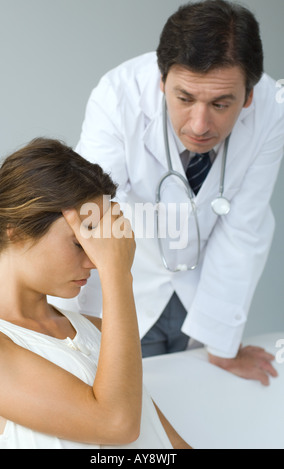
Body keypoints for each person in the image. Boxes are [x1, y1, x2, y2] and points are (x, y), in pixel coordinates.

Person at [68, 0, 284, 385]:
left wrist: (222, 345)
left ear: (248, 97)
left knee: (194, 403)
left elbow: (244, 226)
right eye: (184, 99)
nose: (200, 125)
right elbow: (89, 215)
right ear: (161, 81)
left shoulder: (271, 108)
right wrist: (62, 329)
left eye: (220, 104)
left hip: (200, 297)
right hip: (122, 288)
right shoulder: (119, 96)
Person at [0, 138, 191, 449]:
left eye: (102, 244)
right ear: (18, 230)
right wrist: (118, 274)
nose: (96, 261)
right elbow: (116, 424)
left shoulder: (98, 330)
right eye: (80, 243)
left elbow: (165, 442)